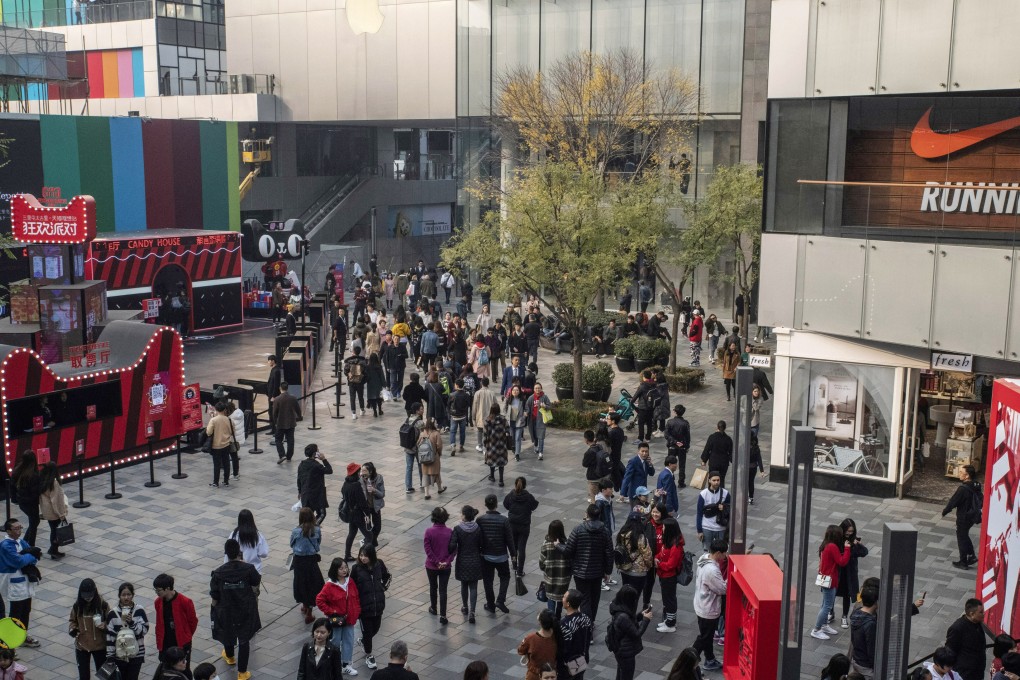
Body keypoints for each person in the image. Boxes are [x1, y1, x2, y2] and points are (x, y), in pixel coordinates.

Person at [557, 504, 615, 619]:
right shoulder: (605, 531)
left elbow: (568, 550)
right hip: (597, 572)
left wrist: (558, 545)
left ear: (587, 514)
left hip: (580, 572)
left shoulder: (578, 529)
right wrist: (608, 571)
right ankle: (591, 621)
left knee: (584, 599)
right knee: (595, 598)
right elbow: (609, 553)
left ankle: (586, 623)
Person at [316, 558, 361, 676]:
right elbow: (319, 600)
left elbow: (356, 597)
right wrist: (332, 612)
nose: (344, 570)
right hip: (336, 620)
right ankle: (333, 664)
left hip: (349, 619)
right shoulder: (329, 585)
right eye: (341, 568)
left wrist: (356, 611)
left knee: (348, 641)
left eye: (345, 567)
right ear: (335, 570)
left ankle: (346, 664)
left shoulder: (350, 581)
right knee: (335, 642)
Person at [0, 518, 41, 646]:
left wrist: (28, 556)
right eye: (16, 528)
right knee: (16, 612)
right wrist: (30, 555)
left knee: (26, 610)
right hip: (15, 583)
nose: (19, 531)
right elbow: (18, 562)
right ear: (8, 531)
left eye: (20, 528)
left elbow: (36, 556)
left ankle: (23, 635)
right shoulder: (6, 545)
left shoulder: (21, 542)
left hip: (25, 582)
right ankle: (12, 637)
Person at [351, 546, 390, 671]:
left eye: (366, 555)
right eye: (361, 555)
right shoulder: (356, 569)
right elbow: (351, 585)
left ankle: (364, 641)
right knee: (367, 632)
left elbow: (387, 576)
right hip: (364, 609)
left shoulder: (379, 564)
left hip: (378, 606)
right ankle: (369, 655)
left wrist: (382, 588)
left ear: (372, 556)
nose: (363, 558)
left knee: (376, 628)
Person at [692, 539, 728, 671]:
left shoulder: (704, 558)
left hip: (701, 604)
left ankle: (710, 659)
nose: (725, 556)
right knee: (705, 637)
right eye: (724, 553)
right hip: (708, 608)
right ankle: (689, 660)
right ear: (718, 553)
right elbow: (722, 589)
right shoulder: (712, 570)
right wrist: (729, 578)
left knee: (707, 635)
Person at [810, 525, 852, 640]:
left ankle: (824, 625)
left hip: (825, 578)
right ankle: (816, 630)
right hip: (830, 580)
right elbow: (842, 562)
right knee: (827, 606)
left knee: (825, 604)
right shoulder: (832, 546)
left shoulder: (826, 544)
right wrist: (847, 549)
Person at [477, 494, 514, 614]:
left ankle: (490, 604)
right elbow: (509, 540)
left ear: (485, 504)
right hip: (501, 556)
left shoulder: (480, 520)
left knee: (488, 581)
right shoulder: (504, 520)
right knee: (505, 577)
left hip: (486, 556)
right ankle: (500, 600)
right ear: (497, 504)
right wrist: (513, 554)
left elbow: (478, 538)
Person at [151, 574, 198, 670]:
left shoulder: (185, 602)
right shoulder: (158, 602)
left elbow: (193, 621)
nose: (157, 593)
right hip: (165, 642)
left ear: (168, 588)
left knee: (184, 669)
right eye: (155, 590)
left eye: (159, 590)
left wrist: (186, 635)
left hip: (181, 642)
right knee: (166, 668)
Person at [105, 582, 149, 680]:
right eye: (123, 595)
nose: (126, 597)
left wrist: (132, 623)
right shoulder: (112, 613)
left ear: (132, 595)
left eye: (128, 594)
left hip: (137, 654)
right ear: (119, 596)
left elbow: (144, 630)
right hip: (119, 655)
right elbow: (110, 637)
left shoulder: (139, 610)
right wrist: (110, 656)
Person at [290, 506, 326, 624]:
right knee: (312, 585)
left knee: (301, 583)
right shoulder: (317, 530)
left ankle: (304, 605)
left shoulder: (296, 531)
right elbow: (318, 543)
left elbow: (291, 544)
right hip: (311, 561)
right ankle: (309, 612)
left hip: (299, 561)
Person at [608, 585, 652, 680]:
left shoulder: (618, 608)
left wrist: (641, 615)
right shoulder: (623, 617)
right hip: (625, 652)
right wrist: (646, 620)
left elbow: (629, 623)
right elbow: (636, 634)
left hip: (621, 650)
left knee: (621, 672)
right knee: (626, 675)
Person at [942, 464, 982, 569]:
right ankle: (971, 556)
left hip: (963, 517)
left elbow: (953, 501)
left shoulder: (963, 489)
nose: (959, 474)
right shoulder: (976, 485)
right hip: (972, 516)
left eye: (961, 472)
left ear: (967, 475)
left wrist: (945, 511)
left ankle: (963, 562)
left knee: (961, 538)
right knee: (964, 535)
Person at [69, 578, 110, 680]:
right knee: (84, 676)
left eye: (90, 595)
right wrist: (73, 629)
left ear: (95, 592)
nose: (88, 598)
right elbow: (72, 621)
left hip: (100, 646)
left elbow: (111, 622)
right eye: (85, 596)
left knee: (105, 676)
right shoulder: (77, 606)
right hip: (82, 646)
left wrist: (105, 625)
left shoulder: (103, 605)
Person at [449, 505, 484, 624]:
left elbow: (452, 546)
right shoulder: (478, 528)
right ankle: (472, 612)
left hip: (462, 561)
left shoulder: (458, 529)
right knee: (473, 587)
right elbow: (481, 544)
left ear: (464, 516)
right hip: (475, 561)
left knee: (464, 585)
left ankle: (465, 606)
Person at [504, 477, 539, 577]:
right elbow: (534, 506)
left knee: (513, 547)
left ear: (515, 485)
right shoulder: (528, 496)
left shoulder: (511, 495)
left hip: (512, 525)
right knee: (522, 548)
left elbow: (506, 505)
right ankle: (520, 571)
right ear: (525, 485)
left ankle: (514, 565)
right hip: (524, 526)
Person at [836, 518, 868, 628]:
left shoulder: (854, 541)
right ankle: (830, 612)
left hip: (849, 573)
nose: (849, 533)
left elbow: (864, 552)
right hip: (837, 571)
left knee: (847, 594)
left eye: (851, 531)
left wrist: (858, 545)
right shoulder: (837, 539)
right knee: (832, 593)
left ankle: (844, 616)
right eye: (848, 531)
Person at [423, 507, 454, 624]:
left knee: (433, 586)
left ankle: (433, 607)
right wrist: (446, 561)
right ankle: (443, 615)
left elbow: (428, 549)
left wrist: (436, 562)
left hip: (431, 566)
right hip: (446, 567)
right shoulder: (450, 532)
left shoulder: (429, 532)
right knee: (443, 590)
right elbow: (454, 549)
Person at [616, 512, 654, 604]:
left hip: (624, 568)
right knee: (634, 597)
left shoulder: (622, 534)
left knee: (626, 594)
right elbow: (647, 555)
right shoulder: (641, 537)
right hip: (638, 572)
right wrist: (649, 566)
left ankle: (624, 610)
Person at [945, 599, 987, 680]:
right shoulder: (957, 628)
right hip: (965, 673)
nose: (983, 614)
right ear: (972, 614)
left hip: (978, 670)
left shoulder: (977, 622)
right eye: (981, 612)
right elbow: (950, 651)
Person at [655, 518, 684, 633]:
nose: (662, 529)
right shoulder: (669, 541)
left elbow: (671, 565)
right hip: (664, 575)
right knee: (667, 599)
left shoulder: (676, 546)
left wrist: (659, 564)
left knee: (670, 600)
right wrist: (657, 557)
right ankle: (669, 620)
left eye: (664, 527)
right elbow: (661, 553)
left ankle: (671, 624)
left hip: (669, 576)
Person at [556, 590, 593, 680]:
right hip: (582, 658)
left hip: (568, 664)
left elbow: (563, 647)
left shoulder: (564, 624)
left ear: (568, 604)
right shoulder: (585, 618)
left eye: (564, 597)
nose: (562, 598)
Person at [341, 463, 374, 560]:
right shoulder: (356, 485)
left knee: (351, 534)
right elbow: (362, 502)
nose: (360, 473)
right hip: (358, 515)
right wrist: (367, 514)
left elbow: (343, 493)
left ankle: (347, 555)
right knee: (369, 536)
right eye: (358, 471)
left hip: (350, 513)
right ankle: (364, 555)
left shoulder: (346, 483)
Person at [539, 520, 571, 617]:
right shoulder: (566, 543)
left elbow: (541, 561)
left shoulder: (546, 544)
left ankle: (551, 618)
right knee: (561, 596)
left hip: (550, 577)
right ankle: (558, 613)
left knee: (551, 597)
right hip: (564, 577)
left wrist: (545, 569)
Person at [37, 461, 68, 559]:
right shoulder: (54, 483)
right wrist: (61, 514)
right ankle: (53, 549)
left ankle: (54, 550)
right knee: (56, 531)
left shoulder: (42, 480)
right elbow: (56, 501)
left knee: (53, 530)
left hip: (47, 511)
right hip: (54, 512)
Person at [10, 452, 41, 547]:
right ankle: (30, 546)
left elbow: (12, 486)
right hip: (31, 503)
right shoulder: (33, 475)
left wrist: (15, 499)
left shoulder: (17, 470)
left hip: (22, 502)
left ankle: (25, 543)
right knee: (34, 523)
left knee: (34, 522)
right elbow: (35, 492)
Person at [298, 444, 334, 525]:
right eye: (318, 451)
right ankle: (313, 528)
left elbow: (299, 479)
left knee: (306, 516)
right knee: (321, 514)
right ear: (315, 454)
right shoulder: (316, 465)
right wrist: (324, 459)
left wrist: (300, 491)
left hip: (305, 493)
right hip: (317, 494)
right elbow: (329, 470)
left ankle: (307, 528)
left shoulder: (302, 464)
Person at [517, 610, 558, 680]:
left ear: (540, 622)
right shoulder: (557, 636)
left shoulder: (531, 638)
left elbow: (520, 651)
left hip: (534, 675)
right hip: (551, 674)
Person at [848, 583, 878, 678]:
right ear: (876, 601)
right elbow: (871, 648)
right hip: (866, 666)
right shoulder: (870, 624)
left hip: (857, 660)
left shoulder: (856, 613)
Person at [695, 472, 730, 551]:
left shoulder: (725, 493)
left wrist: (724, 507)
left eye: (718, 480)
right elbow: (699, 513)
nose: (716, 482)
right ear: (709, 480)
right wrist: (699, 531)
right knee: (707, 551)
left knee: (721, 551)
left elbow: (731, 507)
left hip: (721, 527)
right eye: (714, 480)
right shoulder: (703, 494)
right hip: (707, 527)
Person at [206, 402, 234, 488]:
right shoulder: (229, 419)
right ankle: (226, 481)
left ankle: (216, 482)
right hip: (226, 444)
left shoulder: (213, 420)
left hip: (216, 445)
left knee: (217, 464)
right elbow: (232, 431)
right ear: (224, 409)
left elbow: (209, 432)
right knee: (226, 463)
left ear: (216, 409)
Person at [272, 381, 301, 464]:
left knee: (278, 439)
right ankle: (289, 457)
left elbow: (274, 413)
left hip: (280, 423)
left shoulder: (277, 399)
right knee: (290, 440)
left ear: (280, 388)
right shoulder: (293, 398)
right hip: (291, 422)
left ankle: (282, 455)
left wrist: (275, 422)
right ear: (287, 388)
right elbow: (298, 409)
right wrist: (299, 416)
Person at [483, 404, 511, 485]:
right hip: (501, 445)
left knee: (492, 461)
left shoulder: (488, 420)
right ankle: (501, 480)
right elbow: (508, 430)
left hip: (492, 445)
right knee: (501, 463)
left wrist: (485, 444)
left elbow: (485, 434)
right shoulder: (503, 419)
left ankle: (492, 476)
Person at [418, 418, 446, 500]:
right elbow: (439, 446)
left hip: (424, 457)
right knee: (436, 472)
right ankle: (440, 488)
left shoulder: (422, 433)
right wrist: (439, 454)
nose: (437, 424)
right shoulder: (436, 434)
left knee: (425, 474)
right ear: (433, 424)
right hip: (434, 457)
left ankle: (426, 493)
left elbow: (418, 444)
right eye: (436, 423)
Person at [524, 383, 552, 460]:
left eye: (539, 388)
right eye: (536, 388)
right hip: (532, 420)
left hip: (541, 420)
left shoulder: (545, 397)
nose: (537, 389)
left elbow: (549, 406)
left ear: (541, 389)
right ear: (534, 389)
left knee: (541, 436)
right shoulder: (531, 398)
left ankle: (540, 453)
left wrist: (545, 406)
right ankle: (536, 445)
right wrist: (527, 412)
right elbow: (527, 407)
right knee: (535, 435)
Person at [700, 421, 733, 487]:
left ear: (717, 427)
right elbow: (731, 452)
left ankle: (711, 491)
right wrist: (732, 461)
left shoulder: (712, 437)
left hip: (713, 462)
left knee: (712, 478)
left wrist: (704, 460)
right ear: (725, 428)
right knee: (721, 479)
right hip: (724, 463)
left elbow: (707, 449)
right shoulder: (728, 439)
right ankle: (720, 491)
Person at [345, 346, 369, 419]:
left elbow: (345, 371)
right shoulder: (363, 361)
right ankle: (362, 410)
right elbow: (366, 372)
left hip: (351, 381)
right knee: (360, 396)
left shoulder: (349, 361)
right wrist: (363, 380)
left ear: (353, 352)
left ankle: (354, 413)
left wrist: (349, 376)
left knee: (352, 397)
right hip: (360, 381)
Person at [633, 371, 657, 442]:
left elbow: (635, 396)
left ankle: (640, 438)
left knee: (641, 423)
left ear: (644, 377)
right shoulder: (654, 384)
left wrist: (632, 402)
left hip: (643, 407)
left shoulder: (642, 386)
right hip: (651, 407)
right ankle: (648, 437)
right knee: (649, 422)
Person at [266, 354, 284, 434]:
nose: (268, 362)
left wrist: (273, 396)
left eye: (269, 361)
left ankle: (276, 429)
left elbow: (276, 384)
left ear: (273, 361)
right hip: (270, 395)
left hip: (274, 396)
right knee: (271, 412)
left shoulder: (276, 371)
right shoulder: (273, 369)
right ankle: (273, 429)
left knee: (273, 412)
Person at [366, 353, 387, 417]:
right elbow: (382, 376)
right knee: (378, 397)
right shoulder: (379, 366)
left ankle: (375, 411)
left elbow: (366, 376)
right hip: (378, 384)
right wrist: (384, 384)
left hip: (370, 384)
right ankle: (380, 410)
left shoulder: (368, 367)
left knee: (372, 398)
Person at [748, 435, 765, 505]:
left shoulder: (745, 446)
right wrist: (762, 471)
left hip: (746, 467)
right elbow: (759, 459)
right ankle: (751, 497)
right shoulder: (756, 448)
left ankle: (745, 495)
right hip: (753, 467)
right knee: (751, 482)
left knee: (745, 482)